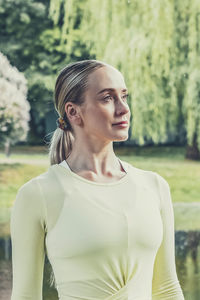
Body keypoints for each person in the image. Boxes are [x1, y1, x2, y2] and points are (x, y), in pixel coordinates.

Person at [10, 59, 185, 299]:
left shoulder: (154, 187)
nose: (123, 108)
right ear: (73, 112)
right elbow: (26, 295)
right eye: (107, 98)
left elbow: (167, 288)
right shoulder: (38, 195)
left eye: (124, 96)